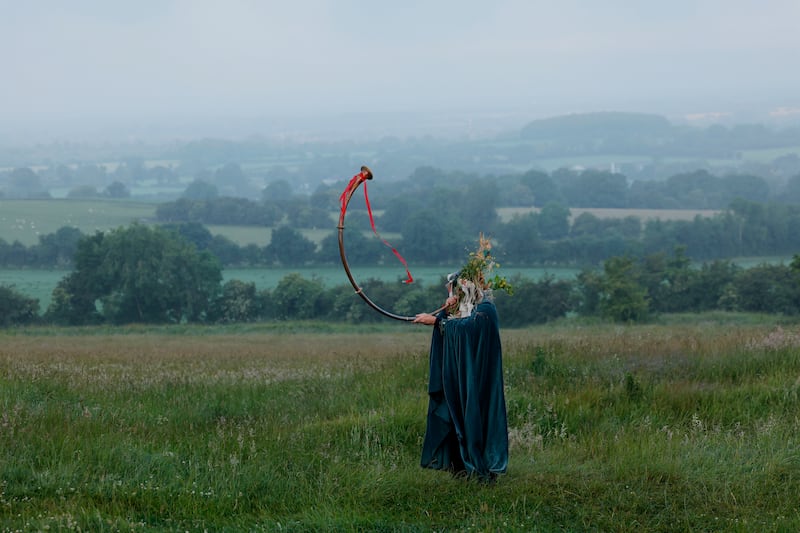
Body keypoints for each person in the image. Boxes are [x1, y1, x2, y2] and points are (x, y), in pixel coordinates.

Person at [413, 236, 510, 481]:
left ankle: (480, 471)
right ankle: (460, 470)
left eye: (455, 290)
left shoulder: (485, 310)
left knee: (475, 419)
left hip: (476, 380)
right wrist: (445, 311)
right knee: (453, 415)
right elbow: (453, 327)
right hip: (459, 377)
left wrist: (437, 321)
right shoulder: (463, 309)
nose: (452, 294)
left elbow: (466, 330)